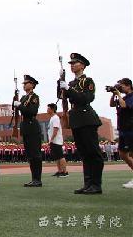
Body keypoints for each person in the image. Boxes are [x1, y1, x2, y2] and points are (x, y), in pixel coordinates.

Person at [60, 53, 103, 194]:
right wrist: (60, 82)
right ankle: (88, 183)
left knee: (93, 153)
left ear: (82, 65)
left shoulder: (87, 81)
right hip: (76, 120)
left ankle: (96, 184)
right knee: (84, 154)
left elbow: (85, 98)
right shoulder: (71, 83)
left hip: (87, 119)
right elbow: (62, 97)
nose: (72, 65)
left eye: (75, 63)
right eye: (71, 63)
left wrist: (68, 88)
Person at [14, 75, 43, 187]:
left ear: (32, 84)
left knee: (35, 154)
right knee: (30, 155)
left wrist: (20, 105)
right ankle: (34, 178)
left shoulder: (34, 97)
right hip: (26, 127)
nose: (24, 85)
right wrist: (15, 101)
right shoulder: (23, 98)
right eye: (24, 83)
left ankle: (37, 179)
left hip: (32, 126)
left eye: (26, 83)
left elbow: (32, 111)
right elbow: (19, 110)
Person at [108, 77, 133, 189]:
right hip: (122, 130)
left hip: (131, 129)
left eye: (121, 85)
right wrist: (114, 94)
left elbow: (124, 105)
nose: (120, 87)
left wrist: (118, 92)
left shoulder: (132, 96)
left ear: (128, 85)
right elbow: (112, 104)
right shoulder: (122, 96)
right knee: (123, 154)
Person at [46, 104, 68, 177]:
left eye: (48, 108)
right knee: (57, 157)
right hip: (53, 141)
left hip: (56, 141)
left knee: (60, 156)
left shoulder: (55, 118)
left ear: (52, 109)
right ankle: (60, 171)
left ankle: (65, 172)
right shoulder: (52, 118)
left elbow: (56, 130)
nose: (47, 110)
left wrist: (51, 139)